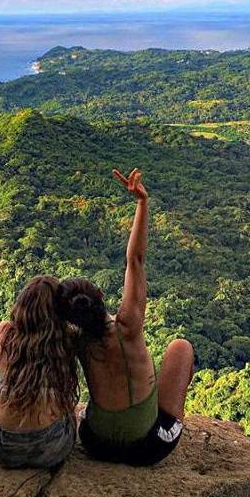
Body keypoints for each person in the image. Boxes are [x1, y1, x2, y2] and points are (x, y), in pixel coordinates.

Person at [59, 168, 195, 466]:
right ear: (100, 296)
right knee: (181, 348)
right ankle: (165, 420)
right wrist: (142, 203)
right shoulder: (128, 327)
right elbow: (135, 260)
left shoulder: (71, 339)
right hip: (147, 448)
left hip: (95, 443)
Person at [0, 276, 79, 469]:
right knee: (67, 403)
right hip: (51, 448)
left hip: (0, 447)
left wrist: (0, 349)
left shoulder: (5, 334)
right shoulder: (67, 340)